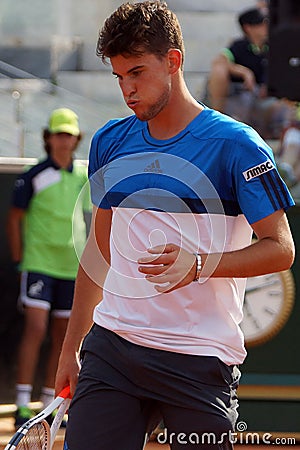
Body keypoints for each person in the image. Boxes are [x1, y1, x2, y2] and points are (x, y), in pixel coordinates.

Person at [55, 2, 295, 449]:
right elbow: (97, 251)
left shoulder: (237, 146)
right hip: (113, 350)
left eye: (138, 73)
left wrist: (200, 263)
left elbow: (281, 248)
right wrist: (72, 349)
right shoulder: (109, 140)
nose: (128, 89)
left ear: (174, 60)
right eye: (119, 77)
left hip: (200, 360)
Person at [7, 107, 90, 429]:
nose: (64, 141)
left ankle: (50, 403)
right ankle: (22, 404)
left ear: (76, 139)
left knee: (64, 338)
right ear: (48, 138)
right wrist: (19, 259)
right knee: (36, 330)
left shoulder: (83, 176)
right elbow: (15, 218)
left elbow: (88, 219)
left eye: (69, 135)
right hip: (39, 264)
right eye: (59, 134)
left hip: (72, 268)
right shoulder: (33, 174)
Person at [205, 7, 292, 139]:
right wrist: (245, 72)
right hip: (239, 96)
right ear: (248, 27)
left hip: (264, 100)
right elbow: (219, 62)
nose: (266, 26)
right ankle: (217, 119)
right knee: (218, 72)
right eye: (261, 23)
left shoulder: (272, 47)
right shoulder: (239, 46)